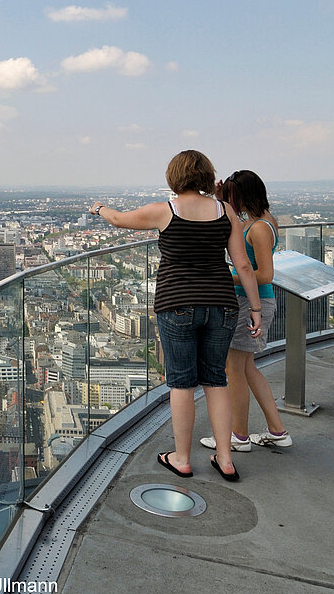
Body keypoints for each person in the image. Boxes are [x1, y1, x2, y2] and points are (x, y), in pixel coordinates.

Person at [90, 150, 262, 482]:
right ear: (206, 176)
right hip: (223, 304)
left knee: (181, 384)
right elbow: (242, 265)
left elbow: (117, 219)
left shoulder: (164, 211)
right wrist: (255, 309)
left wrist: (99, 208)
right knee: (216, 380)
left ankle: (182, 458)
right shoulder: (225, 211)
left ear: (174, 175)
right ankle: (225, 459)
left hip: (177, 303)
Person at [199, 170, 291, 453]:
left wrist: (227, 277)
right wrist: (217, 196)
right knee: (248, 368)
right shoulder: (262, 220)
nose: (231, 202)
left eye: (232, 196)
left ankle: (237, 435)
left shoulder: (259, 228)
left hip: (253, 303)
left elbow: (264, 274)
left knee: (234, 370)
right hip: (254, 302)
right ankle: (277, 430)